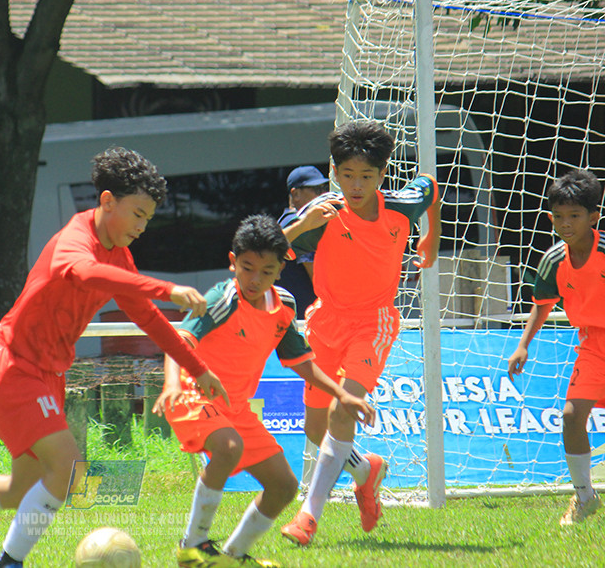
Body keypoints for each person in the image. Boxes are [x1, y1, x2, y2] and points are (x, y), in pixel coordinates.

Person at [0, 147, 230, 568]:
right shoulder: (76, 238)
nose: (142, 227)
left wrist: (198, 368)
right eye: (137, 214)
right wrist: (163, 287)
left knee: (21, 486)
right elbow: (81, 272)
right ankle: (8, 564)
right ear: (107, 201)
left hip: (46, 373)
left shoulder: (119, 255)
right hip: (14, 365)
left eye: (148, 219)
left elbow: (151, 321)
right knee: (67, 469)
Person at [153, 214, 375, 568]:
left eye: (266, 271)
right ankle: (192, 548)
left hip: (235, 409)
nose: (255, 279)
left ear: (280, 269)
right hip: (193, 395)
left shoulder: (284, 307)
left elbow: (302, 362)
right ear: (232, 263)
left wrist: (341, 393)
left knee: (284, 486)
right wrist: (173, 382)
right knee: (228, 447)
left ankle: (233, 558)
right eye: (247, 268)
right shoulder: (221, 298)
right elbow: (179, 340)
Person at [278, 121, 441, 546]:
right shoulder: (322, 213)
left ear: (383, 175)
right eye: (347, 175)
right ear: (333, 172)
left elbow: (430, 188)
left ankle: (308, 516)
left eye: (366, 176)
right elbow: (260, 251)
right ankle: (366, 470)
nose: (355, 184)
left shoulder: (400, 207)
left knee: (340, 413)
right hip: (325, 321)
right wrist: (299, 225)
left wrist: (430, 239)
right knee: (316, 427)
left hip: (374, 322)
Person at [508, 169, 604, 526]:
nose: (566, 224)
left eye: (574, 216)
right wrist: (522, 346)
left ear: (594, 217)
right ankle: (584, 497)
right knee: (570, 416)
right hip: (592, 345)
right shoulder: (552, 259)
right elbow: (543, 303)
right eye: (559, 217)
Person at [277, 166, 330, 321]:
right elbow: (318, 280)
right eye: (316, 189)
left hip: (294, 318)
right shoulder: (299, 223)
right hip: (304, 321)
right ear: (296, 194)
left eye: (324, 188)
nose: (323, 194)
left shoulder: (286, 222)